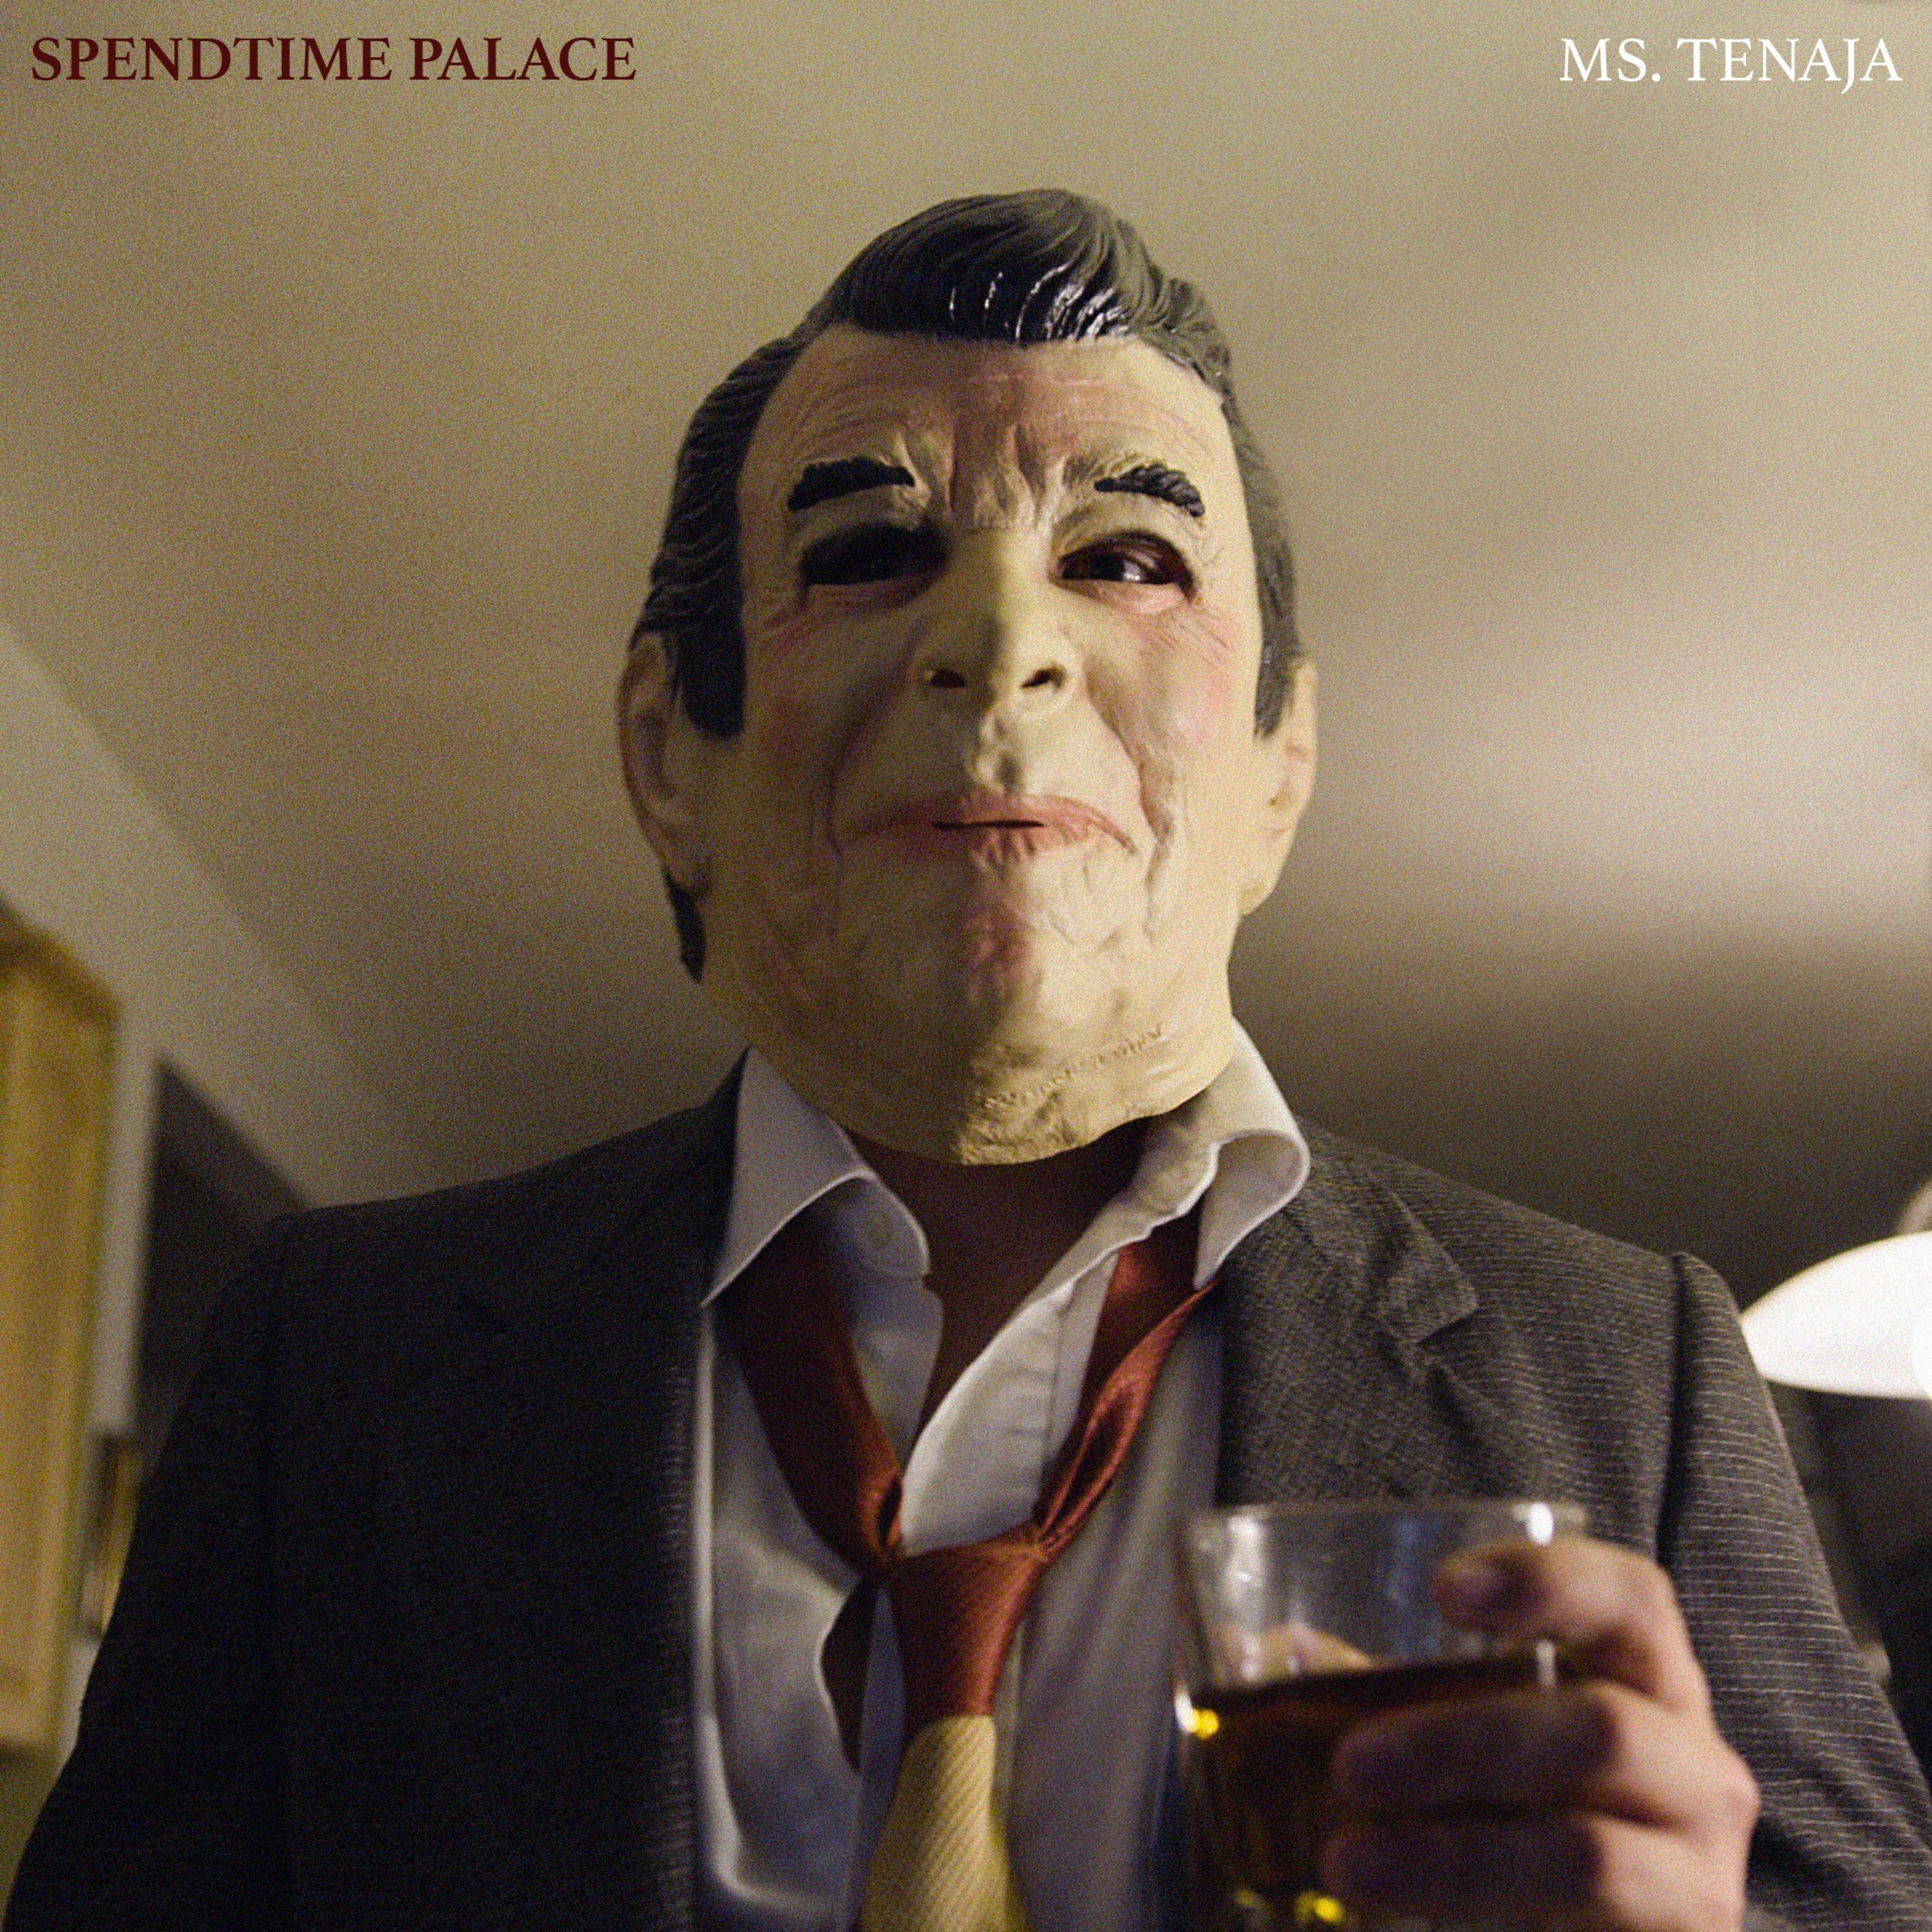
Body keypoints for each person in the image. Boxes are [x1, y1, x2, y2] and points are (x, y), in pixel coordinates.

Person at [8, 191, 1930, 1932]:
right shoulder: (339, 1365)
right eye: (866, 550)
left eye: (1132, 558)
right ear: (671, 756)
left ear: (1282, 768)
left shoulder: (1632, 1374)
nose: (1002, 643)